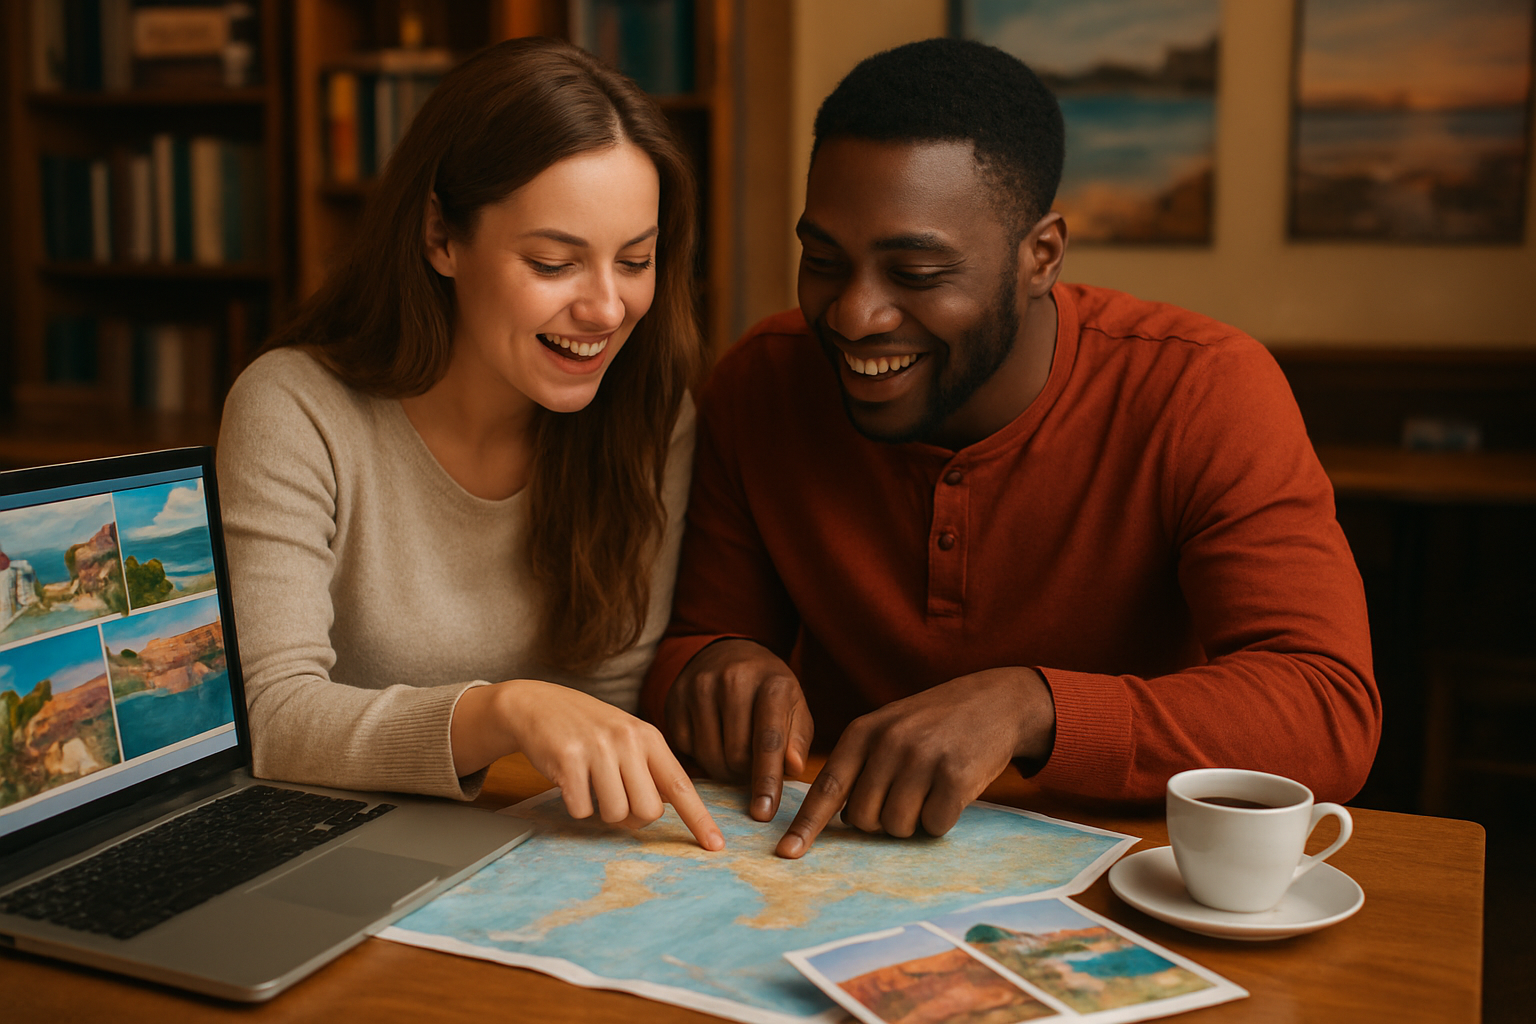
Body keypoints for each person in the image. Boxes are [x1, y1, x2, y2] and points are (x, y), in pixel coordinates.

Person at [642, 38, 1379, 859]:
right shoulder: (762, 382)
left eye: (916, 272)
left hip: (1123, 879)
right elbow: (694, 642)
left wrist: (1033, 709)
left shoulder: (1205, 389)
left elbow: (1328, 707)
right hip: (829, 864)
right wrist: (720, 668)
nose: (854, 315)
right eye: (823, 261)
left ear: (1041, 256)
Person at [217, 38, 722, 850]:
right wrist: (501, 708)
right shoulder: (294, 408)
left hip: (512, 851)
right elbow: (271, 717)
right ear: (441, 237)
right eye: (555, 262)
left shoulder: (651, 415)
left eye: (635, 260)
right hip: (318, 852)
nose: (605, 308)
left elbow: (608, 695)